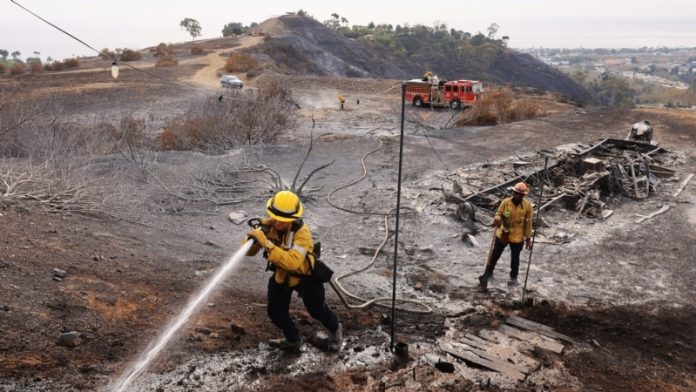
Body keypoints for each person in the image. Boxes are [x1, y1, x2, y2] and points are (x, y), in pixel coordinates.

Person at [246, 190, 343, 352]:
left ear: (293, 218)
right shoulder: (270, 226)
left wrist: (266, 243)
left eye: (282, 221)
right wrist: (254, 240)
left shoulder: (302, 233)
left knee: (317, 310)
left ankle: (336, 329)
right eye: (275, 218)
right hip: (282, 276)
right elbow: (249, 252)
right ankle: (293, 340)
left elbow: (293, 262)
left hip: (306, 277)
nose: (277, 223)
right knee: (275, 312)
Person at [478, 182, 533, 290]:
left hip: (517, 236)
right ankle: (488, 273)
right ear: (513, 192)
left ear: (523, 196)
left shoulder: (528, 206)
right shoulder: (505, 203)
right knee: (495, 255)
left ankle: (513, 278)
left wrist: (528, 239)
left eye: (520, 195)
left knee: (515, 258)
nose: (518, 196)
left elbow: (528, 223)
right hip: (503, 233)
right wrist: (497, 218)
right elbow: (498, 213)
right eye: (516, 193)